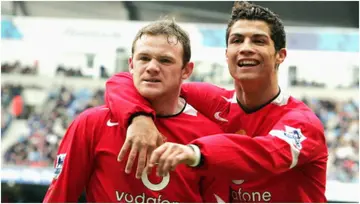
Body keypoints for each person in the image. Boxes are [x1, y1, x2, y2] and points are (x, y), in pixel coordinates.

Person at [104, 1, 328, 203]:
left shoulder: (302, 122)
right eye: (237, 40)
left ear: (280, 55)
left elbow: (268, 154)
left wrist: (196, 153)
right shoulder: (214, 101)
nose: (246, 47)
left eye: (259, 41)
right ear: (227, 53)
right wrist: (138, 117)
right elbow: (128, 81)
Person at [43, 19, 228, 203]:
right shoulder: (91, 124)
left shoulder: (210, 136)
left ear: (186, 70)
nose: (152, 68)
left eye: (165, 60)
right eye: (144, 58)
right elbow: (59, 197)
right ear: (131, 65)